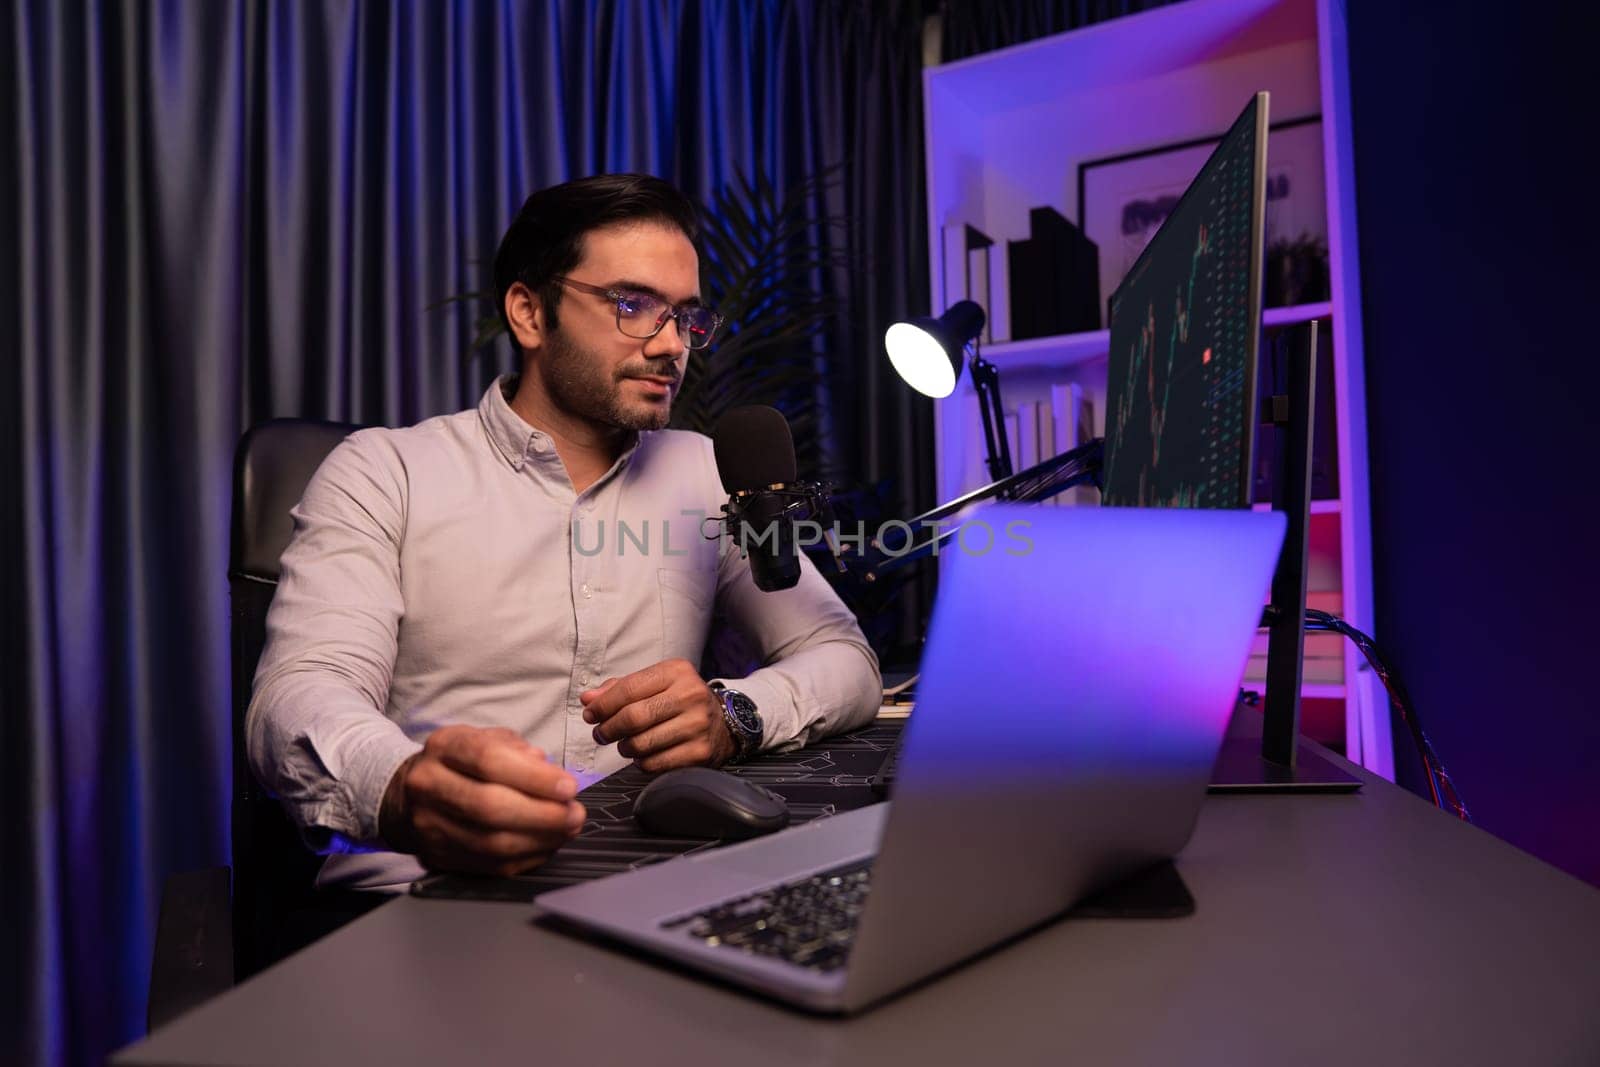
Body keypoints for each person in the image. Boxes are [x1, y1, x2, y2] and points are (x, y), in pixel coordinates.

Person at [247, 173, 882, 890]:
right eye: (632, 304)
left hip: (645, 884)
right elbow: (298, 695)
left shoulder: (701, 473)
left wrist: (736, 713)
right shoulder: (383, 471)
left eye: (686, 316)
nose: (673, 345)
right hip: (431, 895)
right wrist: (403, 787)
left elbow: (843, 656)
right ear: (528, 312)